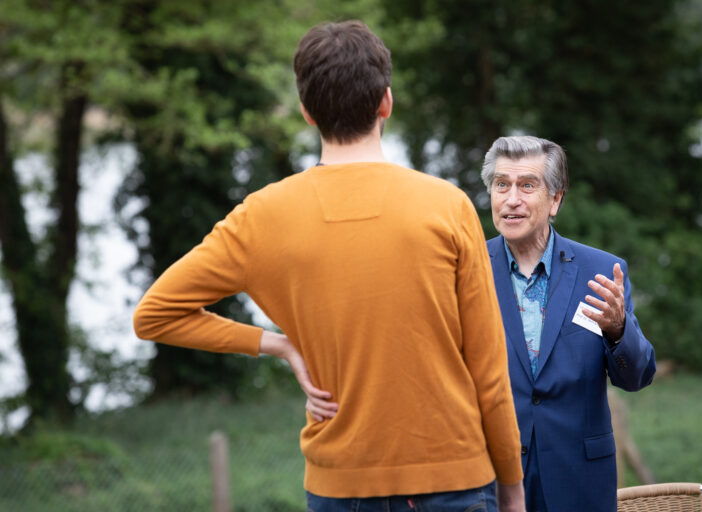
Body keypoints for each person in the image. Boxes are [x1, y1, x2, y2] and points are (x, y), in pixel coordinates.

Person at [133, 20, 526, 512]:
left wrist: (278, 345)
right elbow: (489, 369)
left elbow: (154, 315)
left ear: (306, 110)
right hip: (456, 479)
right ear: (386, 102)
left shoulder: (261, 216)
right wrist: (512, 485)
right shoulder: (447, 206)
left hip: (340, 487)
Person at [481, 135, 656, 512]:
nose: (512, 199)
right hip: (491, 479)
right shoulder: (466, 269)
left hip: (580, 481)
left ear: (555, 200)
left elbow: (637, 377)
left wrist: (618, 330)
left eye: (528, 185)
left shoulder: (601, 271)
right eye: (502, 185)